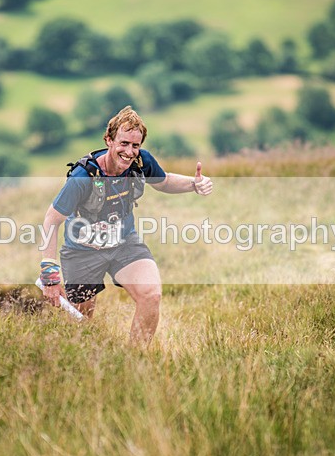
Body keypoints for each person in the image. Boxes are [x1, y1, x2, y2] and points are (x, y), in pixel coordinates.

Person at [38, 106, 213, 344]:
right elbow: (51, 219)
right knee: (81, 323)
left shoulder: (141, 162)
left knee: (151, 295)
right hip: (82, 251)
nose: (129, 152)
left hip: (124, 244)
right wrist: (50, 275)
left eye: (135, 145)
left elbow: (164, 182)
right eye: (123, 143)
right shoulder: (83, 177)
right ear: (109, 140)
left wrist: (194, 184)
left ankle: (135, 362)